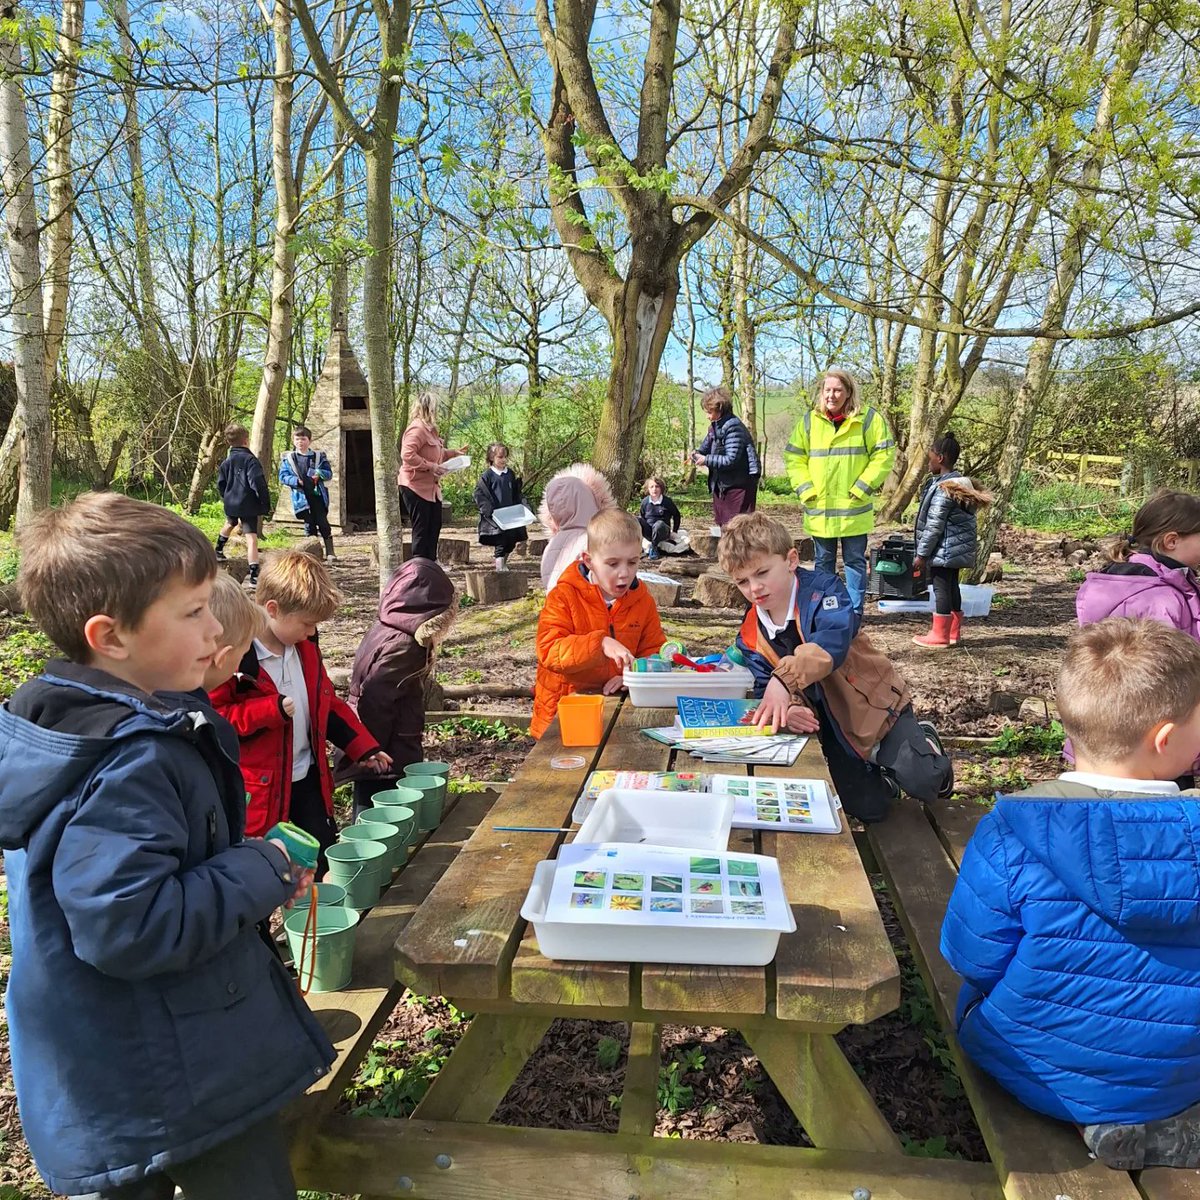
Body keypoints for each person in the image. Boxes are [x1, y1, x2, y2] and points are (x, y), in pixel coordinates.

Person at [0, 492, 333, 1200]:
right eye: (193, 613)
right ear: (110, 636)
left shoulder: (66, 730)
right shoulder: (129, 759)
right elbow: (129, 923)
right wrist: (264, 865)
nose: (216, 628)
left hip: (120, 1072)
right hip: (168, 1081)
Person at [941, 618, 1200, 1171]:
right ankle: (1153, 1114)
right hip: (1180, 1070)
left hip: (1032, 1062)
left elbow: (969, 955)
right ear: (1166, 738)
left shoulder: (1012, 829)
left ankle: (1105, 1114)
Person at [720, 512, 952, 823]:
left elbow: (831, 646)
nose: (755, 588)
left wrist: (783, 680)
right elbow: (765, 687)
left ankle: (927, 744)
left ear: (790, 561)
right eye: (742, 581)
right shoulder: (751, 633)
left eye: (762, 572)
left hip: (875, 707)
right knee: (869, 810)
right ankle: (881, 779)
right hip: (830, 725)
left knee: (925, 782)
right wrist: (787, 709)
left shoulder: (824, 591)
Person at [209, 549, 392, 868]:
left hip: (308, 778)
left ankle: (321, 914)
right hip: (260, 790)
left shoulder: (305, 649)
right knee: (261, 867)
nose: (311, 632)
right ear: (272, 610)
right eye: (307, 624)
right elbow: (218, 717)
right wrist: (268, 710)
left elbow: (327, 706)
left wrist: (362, 746)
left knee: (321, 860)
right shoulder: (239, 658)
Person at [532, 509, 667, 739]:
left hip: (619, 713)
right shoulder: (564, 595)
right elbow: (549, 650)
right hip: (564, 716)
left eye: (633, 562)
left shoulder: (641, 600)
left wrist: (634, 675)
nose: (624, 574)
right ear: (589, 561)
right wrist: (600, 644)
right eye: (612, 564)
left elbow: (655, 652)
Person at [344, 558, 458, 817]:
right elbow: (376, 700)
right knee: (381, 815)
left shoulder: (387, 626)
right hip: (388, 751)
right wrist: (373, 752)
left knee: (369, 804)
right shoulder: (405, 645)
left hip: (374, 741)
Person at [784, 369, 895, 614]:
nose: (831, 395)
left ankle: (854, 613)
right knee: (823, 562)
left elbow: (884, 454)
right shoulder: (809, 421)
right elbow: (794, 457)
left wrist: (862, 487)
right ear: (821, 393)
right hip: (820, 509)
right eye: (827, 390)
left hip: (852, 509)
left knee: (854, 561)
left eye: (837, 390)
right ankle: (825, 610)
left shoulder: (868, 420)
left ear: (848, 393)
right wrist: (806, 490)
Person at [911, 431, 992, 649]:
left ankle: (939, 635)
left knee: (941, 589)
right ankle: (953, 633)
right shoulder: (961, 485)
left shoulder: (944, 489)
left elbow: (934, 526)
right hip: (955, 549)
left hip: (944, 549)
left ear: (940, 458)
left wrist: (921, 555)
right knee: (952, 586)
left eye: (930, 459)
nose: (928, 464)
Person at [397, 392, 468, 561]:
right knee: (422, 528)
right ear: (428, 409)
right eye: (435, 409)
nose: (437, 412)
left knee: (435, 525)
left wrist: (452, 453)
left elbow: (434, 452)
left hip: (431, 488)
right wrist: (430, 467)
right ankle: (420, 567)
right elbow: (407, 454)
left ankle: (431, 564)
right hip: (414, 485)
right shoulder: (417, 429)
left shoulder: (431, 431)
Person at [538, 461, 617, 591]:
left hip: (557, 603)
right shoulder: (591, 540)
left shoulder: (553, 543)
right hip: (585, 605)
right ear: (591, 499)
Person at [691, 386, 760, 527]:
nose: (707, 416)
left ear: (720, 409)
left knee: (737, 527)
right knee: (721, 524)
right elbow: (705, 448)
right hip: (722, 484)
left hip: (738, 485)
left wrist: (706, 460)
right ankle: (721, 548)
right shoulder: (715, 427)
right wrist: (696, 454)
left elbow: (731, 459)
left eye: (709, 412)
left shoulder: (733, 427)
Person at [214, 423, 271, 589]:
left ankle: (217, 550)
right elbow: (257, 483)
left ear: (228, 442)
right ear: (246, 440)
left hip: (231, 501)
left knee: (230, 523)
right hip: (248, 504)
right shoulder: (250, 460)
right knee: (251, 537)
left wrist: (227, 497)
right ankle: (254, 575)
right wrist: (265, 503)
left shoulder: (226, 462)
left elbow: (221, 484)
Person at [279, 425, 337, 562]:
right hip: (301, 498)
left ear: (309, 441)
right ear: (293, 441)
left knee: (323, 523)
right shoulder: (289, 459)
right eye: (297, 439)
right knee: (309, 524)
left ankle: (330, 551)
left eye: (303, 439)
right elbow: (283, 476)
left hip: (318, 496)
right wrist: (295, 481)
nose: (300, 442)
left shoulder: (318, 457)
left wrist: (319, 474)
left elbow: (329, 473)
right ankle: (312, 553)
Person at [474, 442, 527, 571]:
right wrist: (486, 508)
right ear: (492, 458)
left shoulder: (510, 474)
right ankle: (499, 565)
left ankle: (504, 563)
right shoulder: (487, 476)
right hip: (496, 515)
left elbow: (516, 493)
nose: (503, 460)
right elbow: (479, 493)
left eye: (505, 457)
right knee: (501, 540)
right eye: (500, 457)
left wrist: (523, 505)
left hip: (511, 514)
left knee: (511, 540)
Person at [638, 476, 682, 559]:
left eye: (657, 486)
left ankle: (654, 548)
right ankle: (636, 547)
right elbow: (642, 516)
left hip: (662, 531)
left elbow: (677, 515)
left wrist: (675, 531)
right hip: (650, 532)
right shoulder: (645, 502)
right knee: (637, 520)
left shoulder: (667, 502)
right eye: (652, 487)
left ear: (661, 488)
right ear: (648, 489)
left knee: (658, 524)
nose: (654, 489)